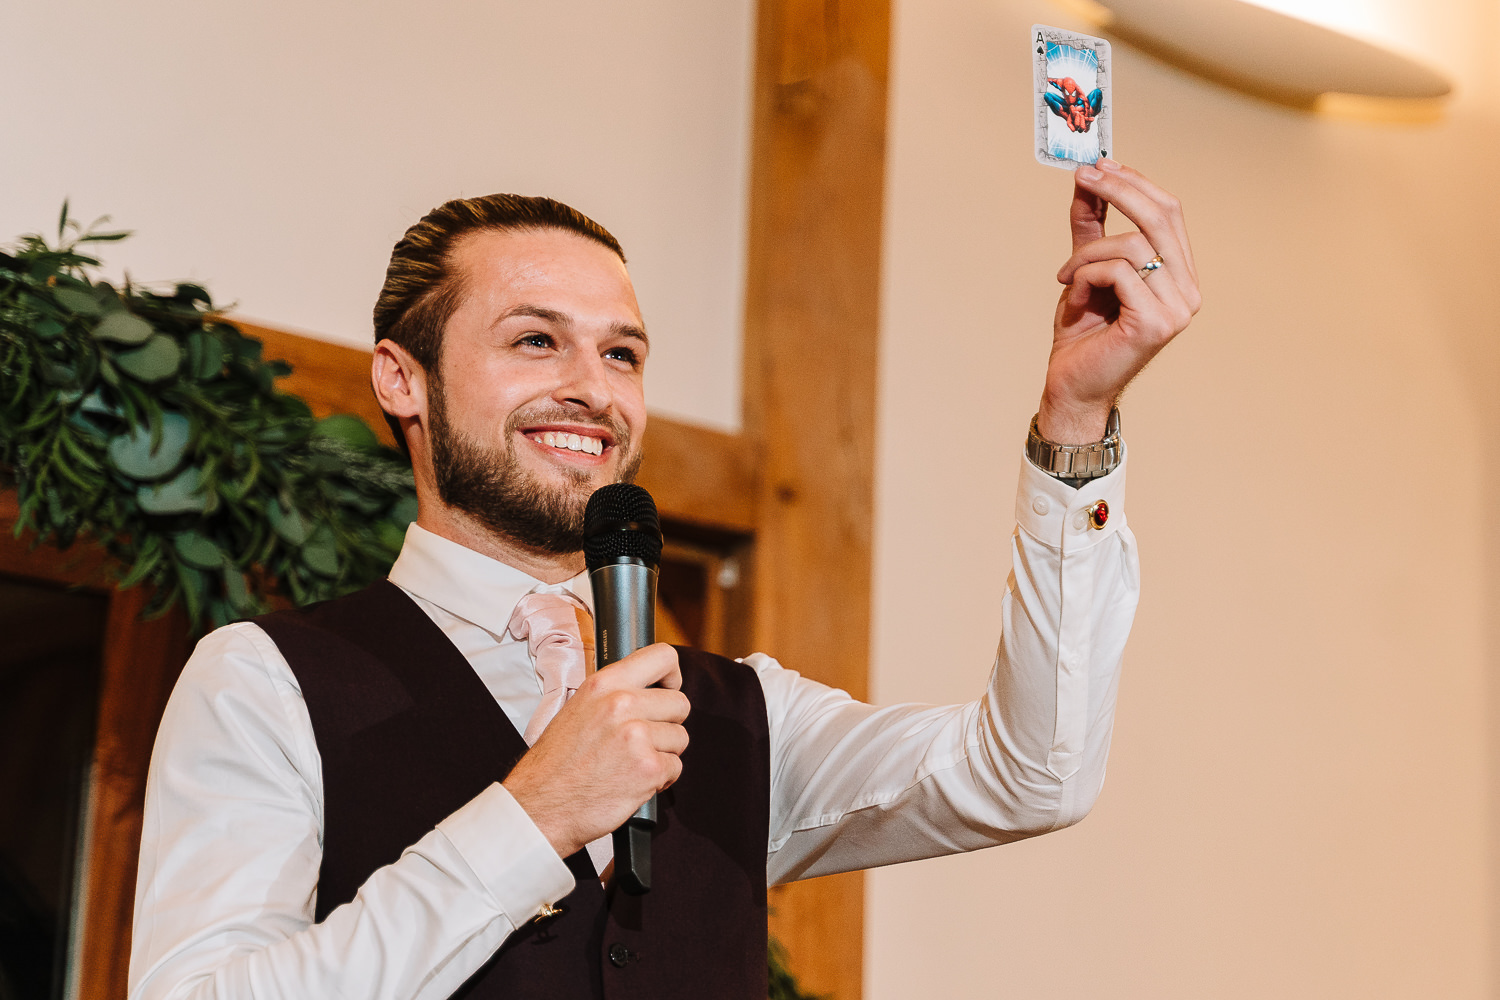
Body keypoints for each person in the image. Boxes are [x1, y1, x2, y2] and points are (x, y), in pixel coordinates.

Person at [128, 160, 1200, 1000]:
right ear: (403, 378)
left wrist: (1077, 423)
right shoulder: (263, 684)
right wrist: (530, 816)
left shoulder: (741, 712)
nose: (590, 389)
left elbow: (1033, 775)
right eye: (536, 339)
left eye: (624, 354)